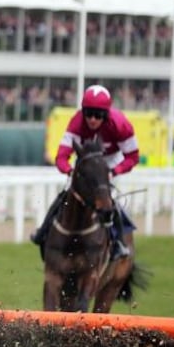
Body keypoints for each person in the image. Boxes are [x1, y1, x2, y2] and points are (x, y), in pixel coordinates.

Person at [30, 84, 138, 259]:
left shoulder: (121, 125)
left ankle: (118, 243)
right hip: (85, 163)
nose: (93, 119)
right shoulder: (76, 123)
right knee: (66, 194)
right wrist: (70, 171)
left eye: (98, 115)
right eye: (88, 113)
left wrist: (114, 171)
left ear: (107, 114)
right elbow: (61, 157)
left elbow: (132, 157)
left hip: (110, 162)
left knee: (108, 199)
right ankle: (43, 231)